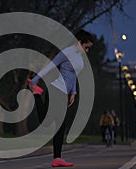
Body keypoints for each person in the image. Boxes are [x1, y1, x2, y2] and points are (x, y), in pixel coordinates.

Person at [28, 29, 94, 167]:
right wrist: (35, 80)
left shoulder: (79, 56)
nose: (87, 51)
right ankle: (36, 93)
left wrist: (74, 92)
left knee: (60, 125)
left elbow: (74, 74)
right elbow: (51, 66)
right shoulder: (67, 52)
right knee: (47, 123)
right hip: (56, 90)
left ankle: (57, 158)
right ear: (79, 42)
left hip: (65, 93)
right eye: (86, 47)